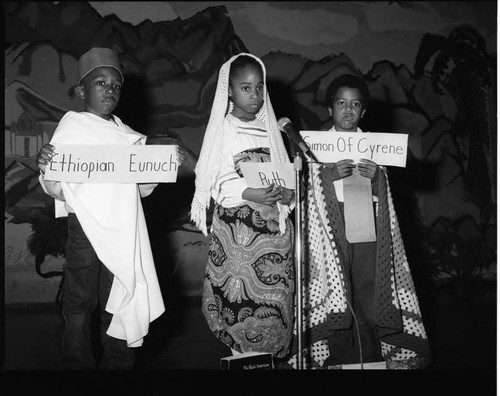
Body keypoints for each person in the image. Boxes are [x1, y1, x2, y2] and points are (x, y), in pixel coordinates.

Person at [287, 73, 431, 369]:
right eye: (341, 103)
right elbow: (302, 186)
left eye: (355, 104)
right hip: (329, 225)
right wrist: (327, 175)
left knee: (367, 288)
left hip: (365, 215)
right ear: (330, 109)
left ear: (363, 111)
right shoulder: (314, 145)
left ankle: (371, 357)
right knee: (337, 289)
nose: (348, 110)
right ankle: (338, 357)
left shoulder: (375, 145)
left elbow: (387, 189)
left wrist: (378, 178)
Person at [36, 47, 167, 369]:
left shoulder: (129, 137)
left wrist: (158, 170)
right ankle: (76, 364)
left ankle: (119, 365)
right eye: (100, 82)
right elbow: (57, 189)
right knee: (79, 300)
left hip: (124, 231)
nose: (109, 89)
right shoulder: (72, 128)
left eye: (116, 85)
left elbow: (141, 190)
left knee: (119, 295)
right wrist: (47, 168)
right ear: (82, 91)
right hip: (85, 229)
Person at [190, 53, 296, 362]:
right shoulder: (224, 129)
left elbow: (286, 177)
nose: (255, 95)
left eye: (259, 87)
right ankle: (243, 362)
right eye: (246, 87)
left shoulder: (275, 131)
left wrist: (287, 194)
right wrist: (252, 192)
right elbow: (218, 178)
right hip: (240, 233)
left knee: (274, 305)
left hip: (274, 236)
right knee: (240, 305)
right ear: (230, 91)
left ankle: (270, 362)